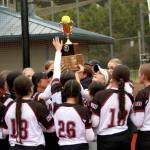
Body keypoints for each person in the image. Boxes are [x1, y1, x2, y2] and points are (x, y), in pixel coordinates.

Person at [4, 75, 53, 150]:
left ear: (15, 90)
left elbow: (4, 130)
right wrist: (39, 126)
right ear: (31, 89)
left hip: (14, 146)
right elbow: (51, 128)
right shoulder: (37, 106)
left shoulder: (8, 105)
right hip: (34, 146)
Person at [91, 64, 134, 150]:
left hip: (106, 140)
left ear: (112, 77)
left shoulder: (100, 95)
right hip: (124, 137)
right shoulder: (130, 97)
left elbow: (94, 122)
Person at [52, 80, 95, 150]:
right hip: (80, 146)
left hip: (62, 146)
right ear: (78, 92)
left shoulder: (56, 107)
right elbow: (90, 137)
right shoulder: (83, 110)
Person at [130, 63, 150, 150]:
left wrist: (130, 111)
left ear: (143, 76)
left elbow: (138, 122)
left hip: (146, 136)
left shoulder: (142, 94)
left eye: (139, 73)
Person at [0, 77, 13, 150]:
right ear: (1, 90)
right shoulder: (8, 103)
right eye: (5, 86)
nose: (7, 88)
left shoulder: (9, 101)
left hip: (5, 136)